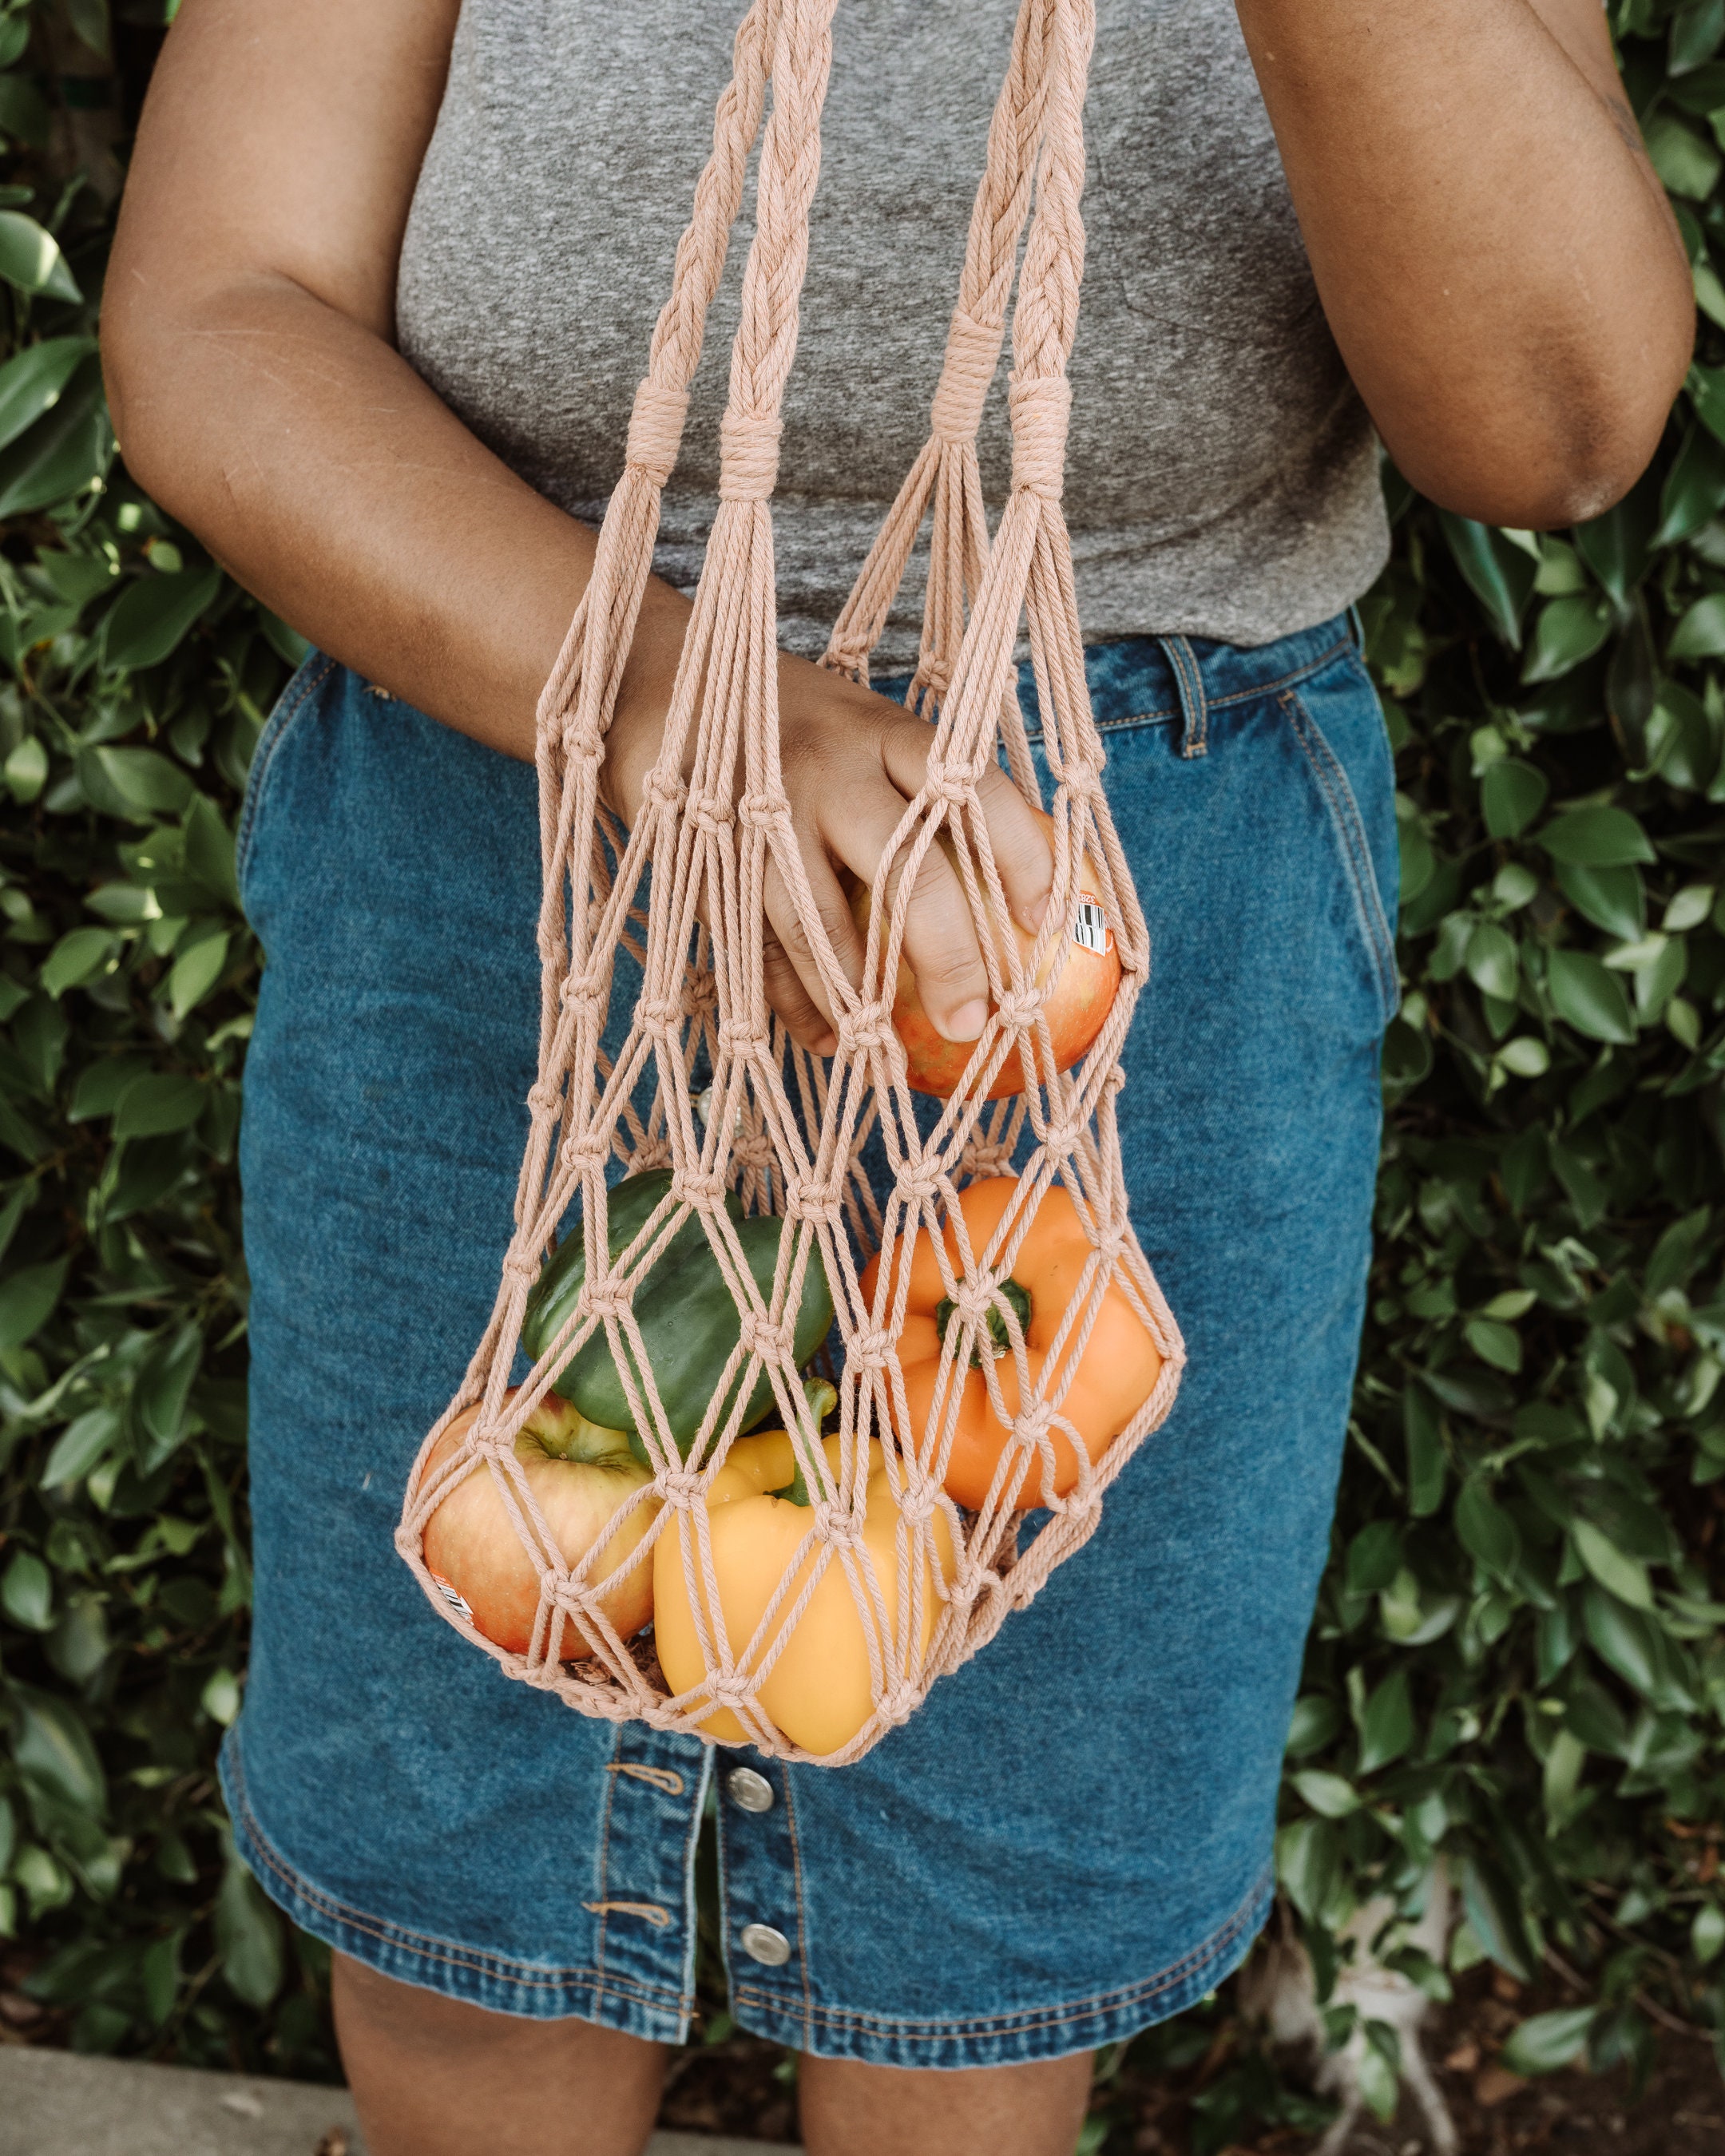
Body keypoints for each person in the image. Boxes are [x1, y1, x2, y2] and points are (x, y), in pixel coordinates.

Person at [101, 2, 1690, 2152]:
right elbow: (221, 300)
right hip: (514, 796)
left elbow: (1554, 422)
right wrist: (665, 692)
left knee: (968, 1999)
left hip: (1117, 889)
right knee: (469, 1945)